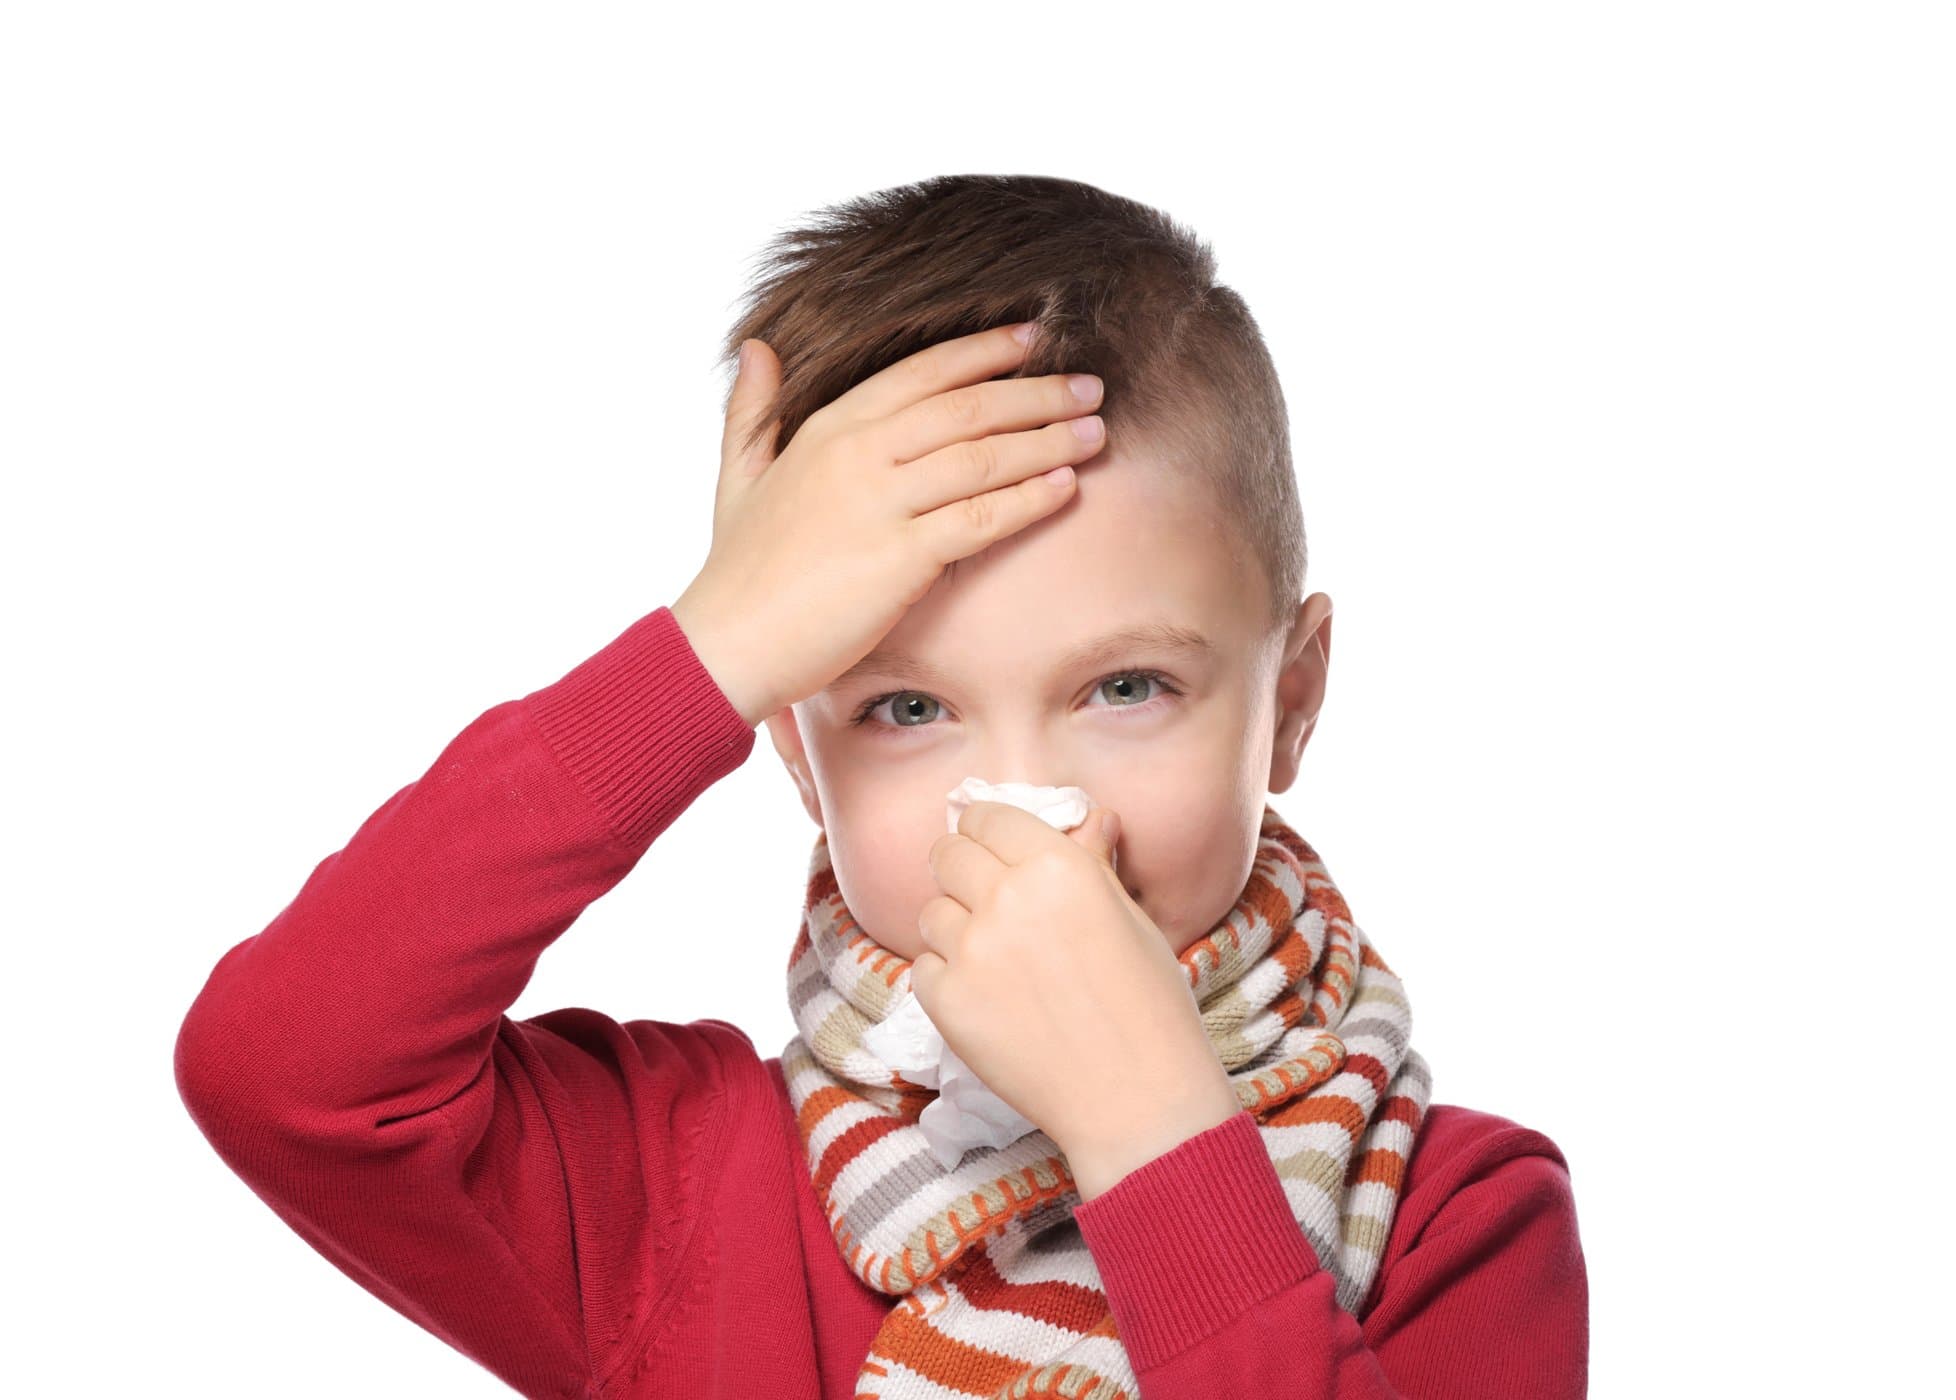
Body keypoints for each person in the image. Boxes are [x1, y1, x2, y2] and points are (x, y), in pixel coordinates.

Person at [175, 174, 1588, 1399]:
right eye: (907, 708)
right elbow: (285, 1075)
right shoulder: (686, 1190)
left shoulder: (1455, 1217)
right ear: (796, 750)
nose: (1034, 815)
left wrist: (1152, 1132)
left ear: (1292, 701)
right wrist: (707, 651)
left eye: (1127, 689)